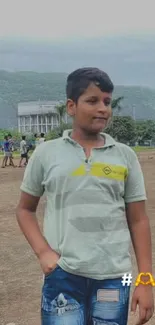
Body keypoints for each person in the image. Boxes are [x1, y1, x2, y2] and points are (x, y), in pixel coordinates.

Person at [16, 67, 154, 325]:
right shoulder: (47, 154)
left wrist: (145, 280)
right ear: (71, 106)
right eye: (92, 101)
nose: (103, 108)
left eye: (107, 102)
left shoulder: (125, 156)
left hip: (117, 275)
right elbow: (24, 209)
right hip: (63, 274)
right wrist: (44, 253)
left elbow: (138, 220)